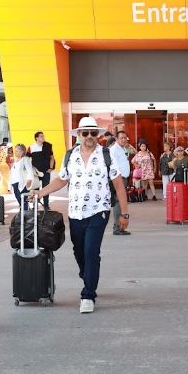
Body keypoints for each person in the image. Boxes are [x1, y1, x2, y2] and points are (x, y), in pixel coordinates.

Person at [32, 116, 130, 314]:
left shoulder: (105, 155)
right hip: (75, 213)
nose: (89, 136)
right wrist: (40, 192)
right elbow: (61, 180)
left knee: (91, 251)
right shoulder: (70, 156)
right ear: (78, 135)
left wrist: (124, 215)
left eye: (93, 133)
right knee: (79, 251)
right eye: (85, 133)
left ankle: (88, 294)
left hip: (99, 211)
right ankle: (89, 276)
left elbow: (119, 185)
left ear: (98, 136)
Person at [111, 131, 133, 235]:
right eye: (121, 138)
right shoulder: (114, 150)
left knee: (121, 203)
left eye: (125, 138)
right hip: (118, 179)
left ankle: (121, 227)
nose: (124, 140)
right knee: (118, 203)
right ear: (116, 139)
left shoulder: (123, 149)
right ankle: (117, 228)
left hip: (124, 178)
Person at [29, 132, 55, 211]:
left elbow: (52, 158)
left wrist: (50, 168)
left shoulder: (48, 146)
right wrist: (31, 170)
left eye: (43, 136)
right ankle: (34, 205)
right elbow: (27, 160)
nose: (43, 137)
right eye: (41, 136)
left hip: (46, 171)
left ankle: (46, 206)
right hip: (35, 172)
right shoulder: (31, 147)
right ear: (36, 138)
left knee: (46, 188)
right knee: (35, 188)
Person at [9, 143, 35, 210]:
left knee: (23, 199)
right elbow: (12, 173)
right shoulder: (15, 161)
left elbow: (30, 170)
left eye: (17, 151)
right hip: (14, 183)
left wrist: (29, 180)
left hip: (22, 183)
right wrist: (9, 186)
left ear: (22, 151)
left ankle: (25, 213)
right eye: (15, 151)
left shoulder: (25, 159)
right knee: (20, 199)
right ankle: (25, 212)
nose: (15, 152)